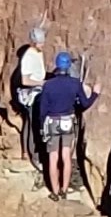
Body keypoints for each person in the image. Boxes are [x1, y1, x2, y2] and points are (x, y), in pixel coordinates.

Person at [34, 48, 94, 198]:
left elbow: (43, 109)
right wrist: (95, 94)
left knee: (53, 157)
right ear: (68, 67)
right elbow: (85, 103)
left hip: (52, 121)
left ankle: (54, 192)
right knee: (66, 156)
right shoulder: (75, 84)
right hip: (68, 120)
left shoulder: (48, 85)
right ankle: (64, 189)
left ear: (57, 65)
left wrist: (41, 126)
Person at [10, 23, 48, 162]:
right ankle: (28, 151)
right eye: (40, 42)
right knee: (31, 121)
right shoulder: (28, 57)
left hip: (38, 90)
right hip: (29, 94)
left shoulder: (38, 53)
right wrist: (42, 83)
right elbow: (25, 81)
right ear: (33, 42)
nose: (42, 44)